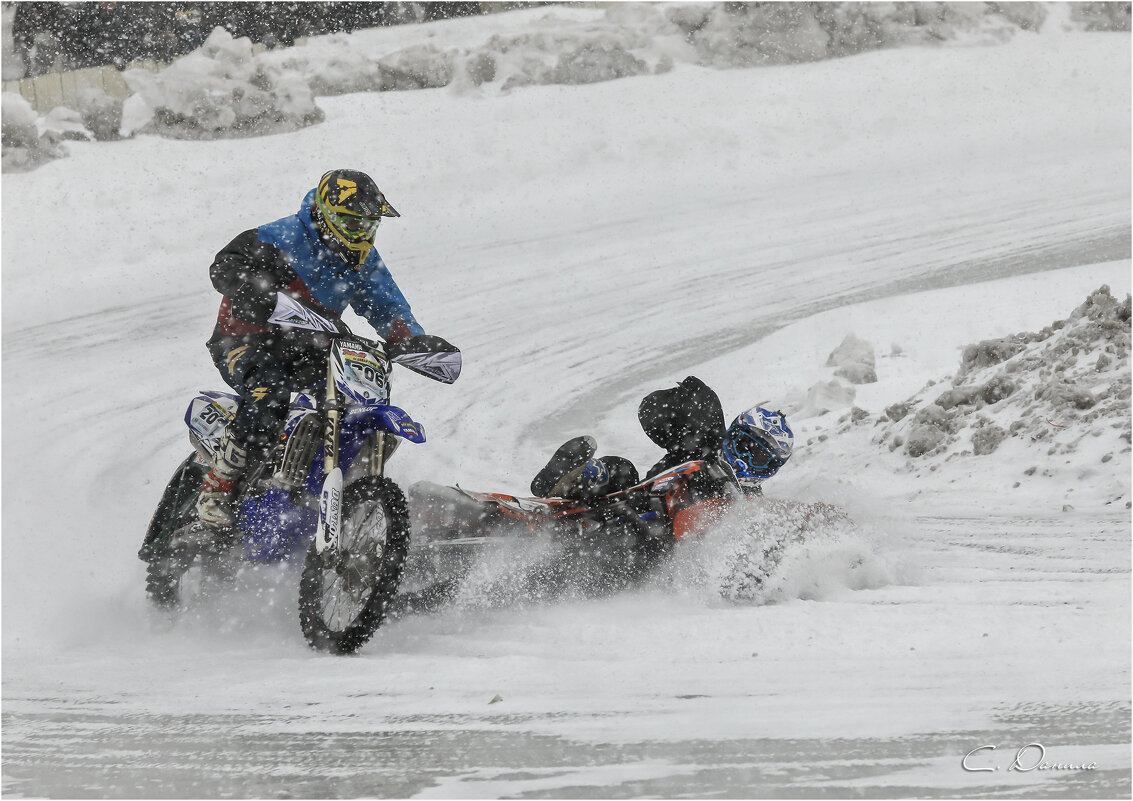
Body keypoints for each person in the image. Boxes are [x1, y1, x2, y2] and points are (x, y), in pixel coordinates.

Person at [195, 168, 427, 529]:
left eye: (369, 226)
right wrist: (257, 288)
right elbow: (225, 265)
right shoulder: (282, 235)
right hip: (247, 340)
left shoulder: (364, 260)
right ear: (327, 215)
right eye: (353, 225)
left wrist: (413, 340)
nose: (362, 234)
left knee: (356, 401)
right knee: (269, 395)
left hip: (314, 344)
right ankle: (218, 486)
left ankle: (323, 485)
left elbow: (389, 307)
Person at [531, 376, 793, 501]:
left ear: (770, 470)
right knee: (620, 468)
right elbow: (651, 411)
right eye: (744, 447)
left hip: (658, 552)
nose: (745, 460)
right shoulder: (702, 444)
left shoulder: (747, 506)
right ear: (732, 436)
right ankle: (566, 483)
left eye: (759, 458)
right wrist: (691, 407)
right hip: (627, 509)